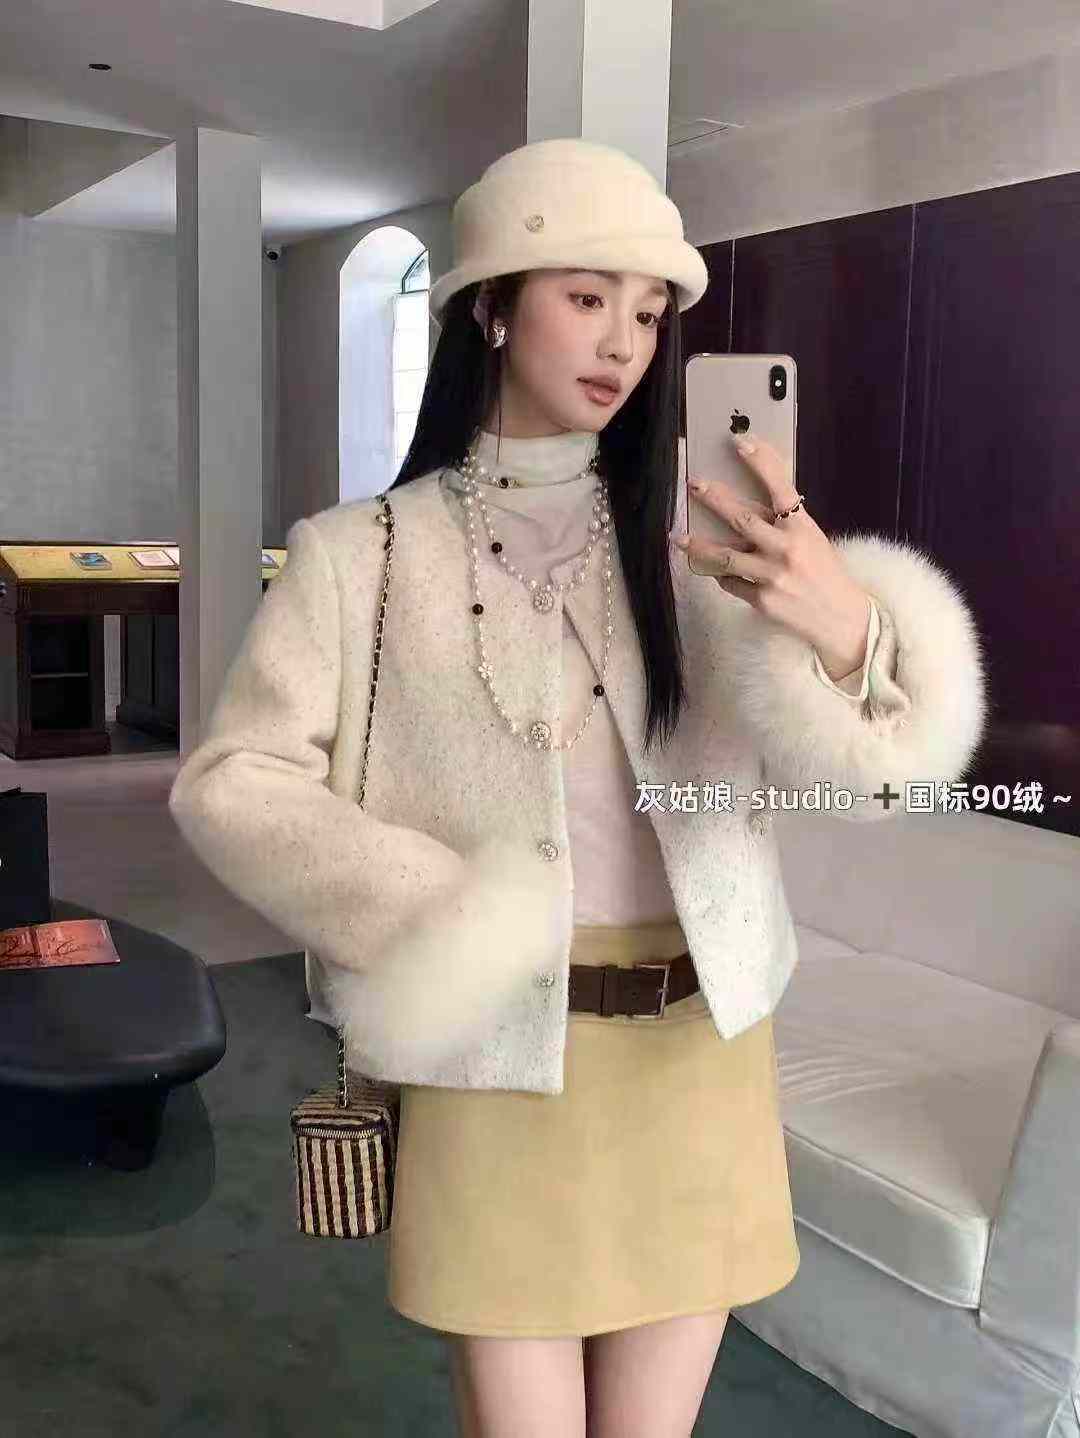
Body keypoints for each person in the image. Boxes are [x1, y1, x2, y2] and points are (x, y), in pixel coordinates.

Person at [169, 138, 987, 1437]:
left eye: (650, 314)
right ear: (492, 308)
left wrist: (848, 631)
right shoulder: (356, 557)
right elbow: (233, 783)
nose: (624, 342)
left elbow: (879, 790)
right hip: (496, 1059)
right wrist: (444, 912)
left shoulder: (707, 551)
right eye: (588, 297)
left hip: (698, 1052)